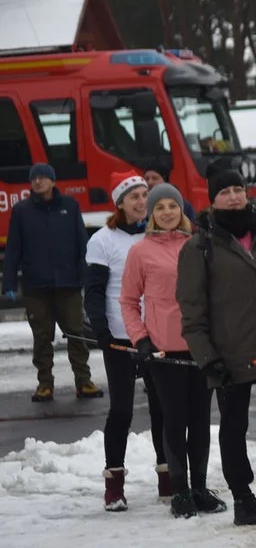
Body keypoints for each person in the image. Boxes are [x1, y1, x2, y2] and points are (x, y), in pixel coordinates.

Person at [176, 170, 256, 526]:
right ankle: (244, 499)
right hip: (230, 355)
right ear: (212, 199)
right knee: (234, 429)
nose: (234, 197)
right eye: (226, 191)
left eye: (238, 189)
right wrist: (207, 358)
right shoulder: (199, 247)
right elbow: (191, 310)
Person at [120, 183, 225, 519]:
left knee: (200, 421)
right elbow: (127, 301)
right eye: (160, 206)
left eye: (173, 206)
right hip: (164, 353)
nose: (167, 212)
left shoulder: (198, 245)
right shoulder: (140, 251)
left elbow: (215, 295)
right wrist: (141, 340)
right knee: (174, 420)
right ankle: (179, 490)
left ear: (182, 211)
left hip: (200, 348)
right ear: (151, 213)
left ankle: (200, 487)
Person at [85, 171, 169, 511]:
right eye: (133, 196)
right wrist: (102, 332)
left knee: (163, 407)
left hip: (158, 333)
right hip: (121, 336)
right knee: (121, 410)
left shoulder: (158, 236)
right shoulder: (103, 240)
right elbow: (93, 292)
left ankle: (169, 476)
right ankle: (114, 485)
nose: (141, 201)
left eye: (144, 194)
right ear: (120, 203)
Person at [1, 163, 101, 403]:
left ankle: (83, 381)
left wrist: (85, 276)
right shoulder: (21, 211)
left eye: (44, 177)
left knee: (77, 335)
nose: (38, 182)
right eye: (34, 178)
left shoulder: (70, 206)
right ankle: (44, 383)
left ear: (53, 181)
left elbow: (81, 244)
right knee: (42, 337)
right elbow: (13, 249)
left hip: (69, 285)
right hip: (36, 287)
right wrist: (10, 283)